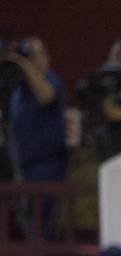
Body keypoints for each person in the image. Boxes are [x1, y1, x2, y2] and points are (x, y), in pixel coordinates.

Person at [3, 36, 67, 238]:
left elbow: (45, 96)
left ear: (46, 58)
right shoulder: (17, 90)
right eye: (27, 57)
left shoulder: (51, 79)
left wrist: (23, 63)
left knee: (47, 228)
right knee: (29, 228)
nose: (32, 61)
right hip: (22, 167)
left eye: (35, 56)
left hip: (47, 166)